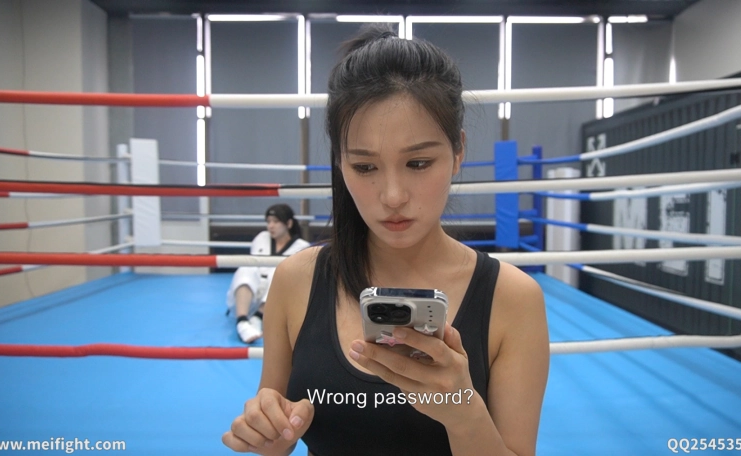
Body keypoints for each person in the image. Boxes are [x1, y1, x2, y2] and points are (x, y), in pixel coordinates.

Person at [223, 25, 549, 455]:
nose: (393, 196)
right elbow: (275, 439)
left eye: (418, 162)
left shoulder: (513, 299)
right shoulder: (296, 280)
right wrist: (266, 431)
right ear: (340, 163)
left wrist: (464, 414)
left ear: (458, 152)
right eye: (365, 167)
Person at [226, 204, 311, 343]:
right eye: (268, 221)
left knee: (281, 273)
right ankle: (242, 322)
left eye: (276, 222)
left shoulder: (302, 247)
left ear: (289, 223)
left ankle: (258, 317)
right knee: (246, 268)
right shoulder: (261, 238)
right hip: (249, 298)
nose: (271, 226)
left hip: (276, 304)